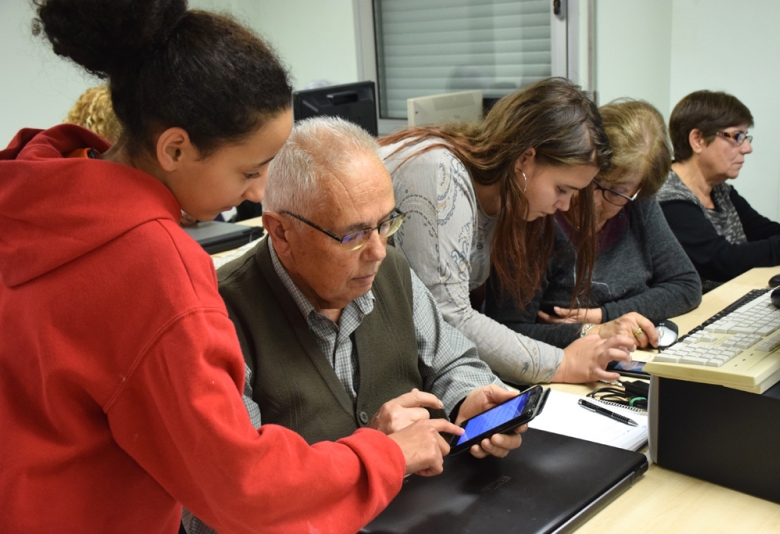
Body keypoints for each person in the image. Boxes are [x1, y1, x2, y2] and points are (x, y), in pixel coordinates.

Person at [0, 1, 463, 533]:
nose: (262, 190)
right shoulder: (153, 269)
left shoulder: (35, 194)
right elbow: (242, 488)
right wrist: (385, 456)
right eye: (251, 169)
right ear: (175, 148)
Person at [184, 116, 527, 533]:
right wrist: (376, 451)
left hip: (422, 512)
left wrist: (468, 402)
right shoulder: (217, 313)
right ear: (281, 233)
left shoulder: (390, 271)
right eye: (354, 235)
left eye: (386, 222)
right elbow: (223, 505)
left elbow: (453, 361)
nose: (379, 251)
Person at [378, 78, 645, 386]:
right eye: (562, 188)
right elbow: (447, 318)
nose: (564, 205)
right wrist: (563, 363)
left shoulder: (508, 202)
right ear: (524, 159)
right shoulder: (438, 173)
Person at [484, 99, 702, 348]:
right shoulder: (539, 213)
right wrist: (592, 331)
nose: (594, 201)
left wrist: (605, 316)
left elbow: (685, 285)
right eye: (593, 182)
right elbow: (506, 331)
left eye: (616, 192)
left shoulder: (638, 204)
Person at [658, 90, 780, 292]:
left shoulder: (719, 189)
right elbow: (722, 261)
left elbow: (762, 232)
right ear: (697, 140)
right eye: (737, 136)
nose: (747, 148)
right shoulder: (669, 198)